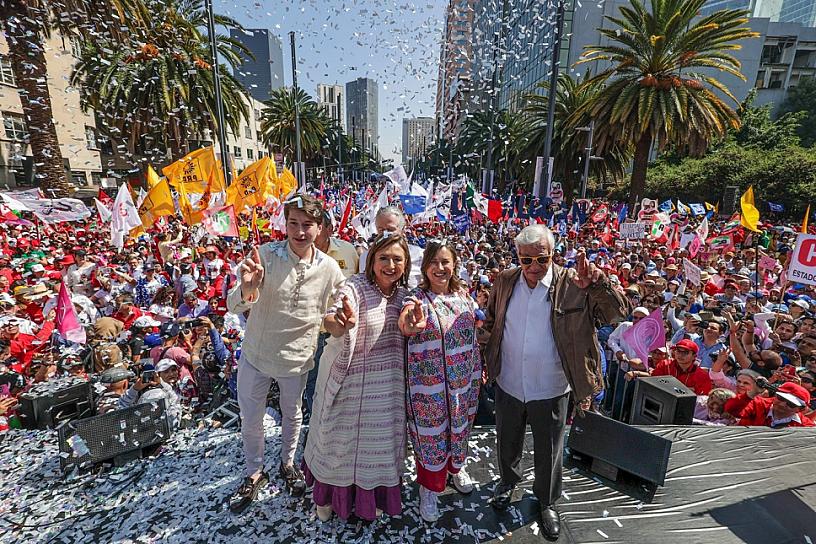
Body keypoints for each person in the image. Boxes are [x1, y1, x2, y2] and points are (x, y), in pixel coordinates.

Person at [478, 224, 629, 541]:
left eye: (541, 260)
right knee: (507, 440)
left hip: (551, 386)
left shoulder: (574, 283)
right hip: (508, 381)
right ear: (517, 257)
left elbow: (617, 315)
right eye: (526, 260)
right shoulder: (505, 281)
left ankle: (546, 501)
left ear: (553, 255)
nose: (533, 267)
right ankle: (507, 482)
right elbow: (492, 321)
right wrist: (485, 352)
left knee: (549, 450)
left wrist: (598, 284)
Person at [227, 195, 345, 513]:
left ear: (319, 228)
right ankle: (254, 472)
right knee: (251, 418)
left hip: (296, 358)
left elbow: (338, 312)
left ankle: (287, 464)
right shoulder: (264, 255)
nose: (299, 231)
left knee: (292, 414)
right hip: (256, 355)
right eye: (293, 223)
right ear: (286, 223)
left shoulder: (330, 268)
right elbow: (233, 304)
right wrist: (248, 287)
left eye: (307, 224)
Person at [303, 232, 411, 522]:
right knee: (336, 445)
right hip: (347, 383)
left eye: (397, 259)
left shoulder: (406, 296)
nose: (390, 265)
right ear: (371, 261)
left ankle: (371, 498)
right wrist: (338, 322)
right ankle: (326, 500)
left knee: (377, 450)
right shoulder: (354, 286)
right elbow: (334, 316)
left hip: (385, 390)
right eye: (383, 258)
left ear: (406, 263)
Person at [399, 240, 482, 523]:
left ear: (455, 265)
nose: (440, 268)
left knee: (459, 431)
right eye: (434, 262)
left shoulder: (464, 296)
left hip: (462, 383)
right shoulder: (415, 298)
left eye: (446, 261)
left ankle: (455, 470)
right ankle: (429, 489)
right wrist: (411, 323)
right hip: (428, 389)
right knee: (431, 438)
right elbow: (407, 322)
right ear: (424, 268)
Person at [303, 210, 361, 416]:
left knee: (346, 381)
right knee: (314, 382)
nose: (311, 233)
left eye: (317, 227)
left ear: (328, 229)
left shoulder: (348, 251)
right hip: (312, 333)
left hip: (344, 330)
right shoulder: (298, 254)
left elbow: (359, 285)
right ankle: (317, 425)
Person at [738, 381, 815, 428]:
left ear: (800, 409)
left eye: (790, 403)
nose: (782, 404)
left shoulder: (805, 426)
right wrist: (753, 392)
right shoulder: (756, 404)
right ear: (775, 396)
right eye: (781, 398)